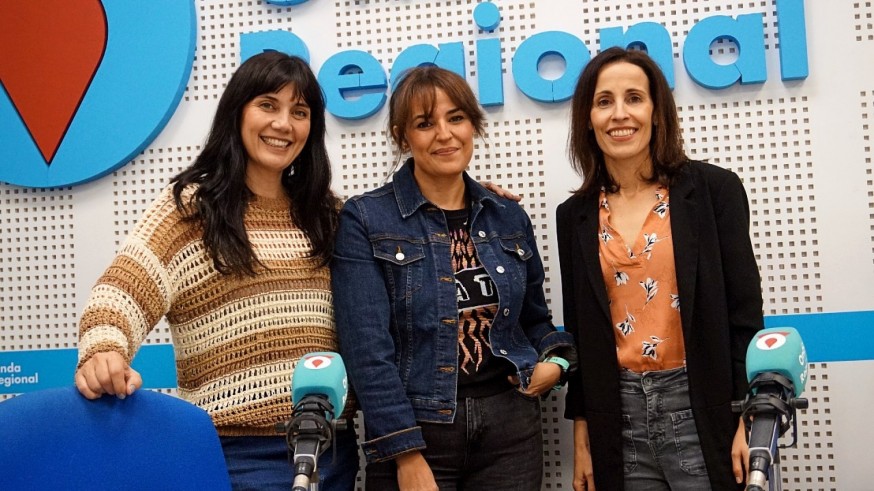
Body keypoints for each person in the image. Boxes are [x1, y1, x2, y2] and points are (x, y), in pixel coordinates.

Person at [73, 51, 359, 490]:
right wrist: (104, 350)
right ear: (237, 111)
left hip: (333, 451)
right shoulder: (190, 212)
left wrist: (474, 201)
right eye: (268, 105)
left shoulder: (328, 215)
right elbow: (120, 291)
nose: (283, 124)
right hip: (236, 456)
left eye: (299, 112)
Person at [331, 65, 577, 491]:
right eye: (425, 124)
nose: (444, 134)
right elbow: (367, 349)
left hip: (510, 429)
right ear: (402, 136)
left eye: (456, 118)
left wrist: (556, 362)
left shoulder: (507, 216)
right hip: (420, 431)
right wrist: (404, 453)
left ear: (473, 125)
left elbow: (534, 320)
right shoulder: (366, 219)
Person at [556, 46, 764, 491]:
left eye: (634, 98)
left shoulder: (713, 191)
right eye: (604, 101)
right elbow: (581, 333)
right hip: (618, 417)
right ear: (587, 118)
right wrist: (582, 432)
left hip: (701, 407)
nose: (619, 114)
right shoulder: (573, 216)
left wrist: (747, 416)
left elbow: (744, 315)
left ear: (656, 110)